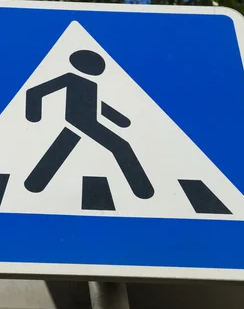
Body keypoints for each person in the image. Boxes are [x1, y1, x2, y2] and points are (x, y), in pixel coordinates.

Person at [24, 49, 154, 200]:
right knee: (120, 146)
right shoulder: (70, 78)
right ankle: (143, 190)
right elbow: (36, 92)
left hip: (84, 122)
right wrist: (34, 115)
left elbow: (97, 105)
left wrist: (120, 120)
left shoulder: (91, 84)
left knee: (59, 150)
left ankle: (34, 184)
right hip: (80, 121)